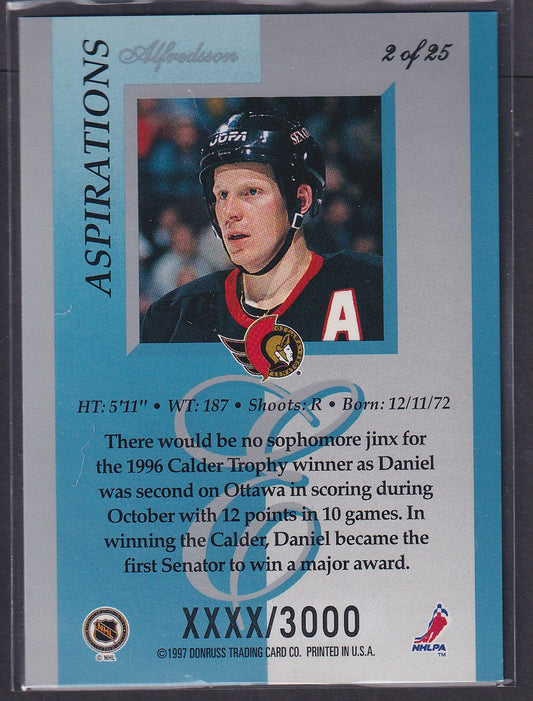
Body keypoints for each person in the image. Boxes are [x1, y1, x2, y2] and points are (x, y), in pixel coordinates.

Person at [141, 112, 383, 344]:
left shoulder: (375, 287)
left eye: (251, 192)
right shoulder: (173, 316)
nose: (229, 212)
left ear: (301, 200)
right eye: (222, 195)